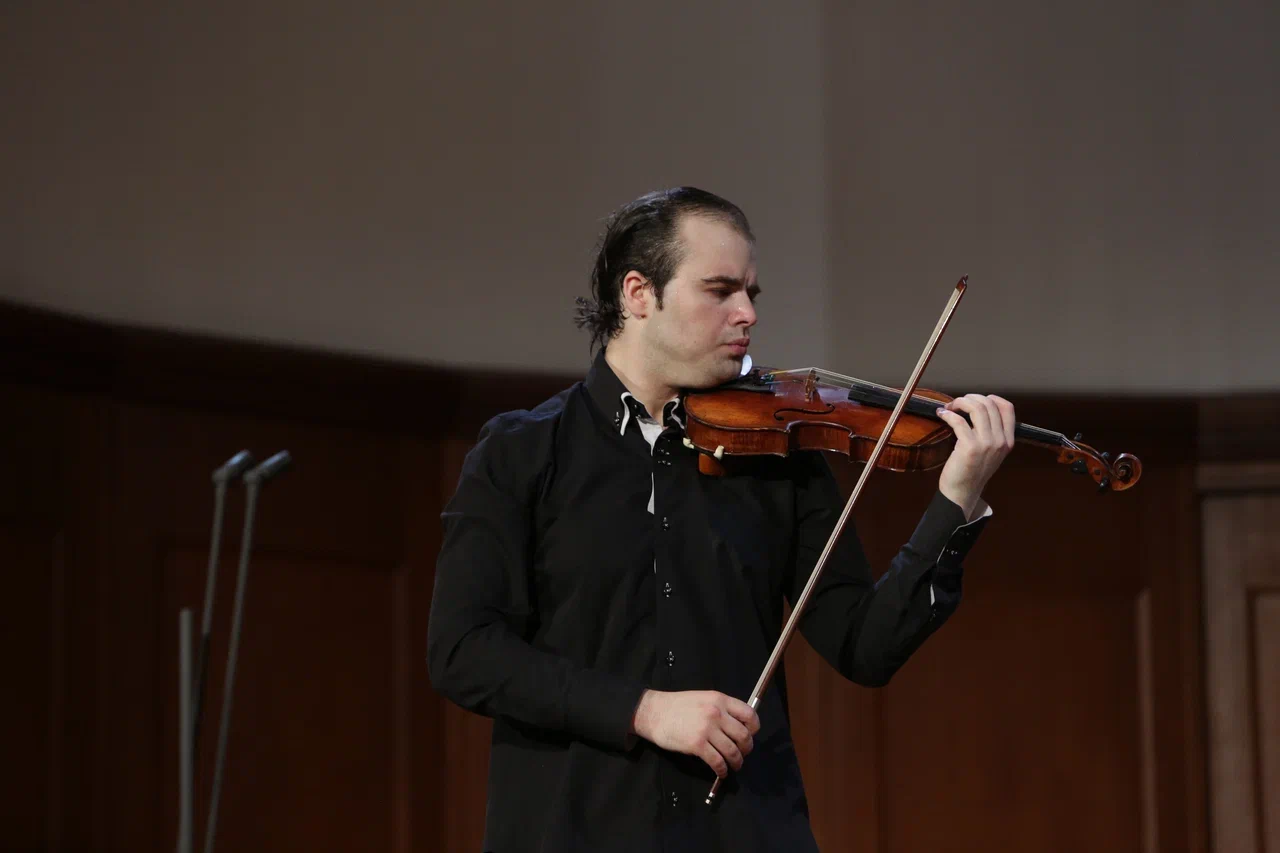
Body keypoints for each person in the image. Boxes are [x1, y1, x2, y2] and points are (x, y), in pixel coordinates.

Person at [427, 187, 1015, 852]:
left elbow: (864, 646)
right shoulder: (521, 452)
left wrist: (956, 499)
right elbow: (463, 651)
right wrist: (643, 710)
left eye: (751, 293)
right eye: (720, 290)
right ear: (638, 294)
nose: (747, 314)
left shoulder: (777, 455)